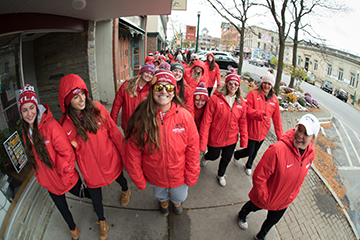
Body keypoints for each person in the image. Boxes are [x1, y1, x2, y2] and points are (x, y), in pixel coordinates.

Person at [58, 74, 129, 240]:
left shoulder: (97, 109)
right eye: (76, 97)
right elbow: (67, 154)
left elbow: (114, 132)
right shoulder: (65, 126)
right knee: (96, 201)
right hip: (91, 172)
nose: (81, 99)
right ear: (68, 101)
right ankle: (102, 221)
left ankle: (126, 190)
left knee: (121, 180)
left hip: (110, 161)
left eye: (82, 93)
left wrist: (124, 155)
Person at [124, 69, 200, 216]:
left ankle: (176, 202)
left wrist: (192, 174)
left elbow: (193, 149)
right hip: (154, 174)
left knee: (179, 196)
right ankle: (163, 201)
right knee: (160, 194)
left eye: (169, 87)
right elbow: (133, 152)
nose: (164, 91)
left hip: (179, 175)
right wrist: (138, 178)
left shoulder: (185, 116)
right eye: (159, 87)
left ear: (174, 92)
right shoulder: (141, 118)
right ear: (152, 90)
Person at [19, 84, 88, 240]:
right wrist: (40, 177)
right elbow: (34, 159)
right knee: (63, 209)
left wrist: (64, 173)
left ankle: (99, 205)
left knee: (84, 194)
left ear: (36, 107)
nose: (29, 113)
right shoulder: (25, 133)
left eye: (31, 108)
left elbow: (67, 153)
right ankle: (73, 230)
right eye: (25, 110)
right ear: (21, 113)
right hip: (48, 181)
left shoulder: (50, 126)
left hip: (65, 176)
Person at [236, 114, 320, 240]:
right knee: (252, 207)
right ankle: (242, 214)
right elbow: (259, 176)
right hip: (266, 197)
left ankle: (261, 236)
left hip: (284, 201)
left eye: (306, 133)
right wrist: (264, 197)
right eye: (299, 129)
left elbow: (301, 177)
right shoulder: (277, 150)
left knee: (271, 221)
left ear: (313, 138)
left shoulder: (310, 154)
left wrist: (292, 195)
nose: (300, 135)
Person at [199, 71, 248, 187]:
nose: (233, 86)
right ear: (226, 84)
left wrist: (244, 140)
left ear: (238, 86)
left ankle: (221, 174)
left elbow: (243, 123)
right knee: (214, 155)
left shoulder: (240, 103)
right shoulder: (215, 99)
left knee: (226, 158)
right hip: (216, 137)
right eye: (231, 82)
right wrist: (202, 143)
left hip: (231, 138)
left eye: (236, 84)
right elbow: (206, 122)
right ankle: (206, 157)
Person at [233, 68, 283, 176]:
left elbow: (277, 120)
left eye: (269, 84)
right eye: (265, 83)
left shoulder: (274, 100)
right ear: (262, 82)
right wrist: (259, 114)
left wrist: (281, 139)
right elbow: (247, 110)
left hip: (263, 132)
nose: (266, 86)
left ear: (272, 85)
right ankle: (237, 154)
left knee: (255, 151)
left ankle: (249, 165)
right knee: (249, 151)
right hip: (252, 130)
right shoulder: (253, 94)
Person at [110, 63, 154, 132]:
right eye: (147, 72)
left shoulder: (151, 90)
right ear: (142, 72)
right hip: (128, 125)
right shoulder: (127, 86)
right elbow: (116, 105)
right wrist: (112, 124)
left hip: (143, 127)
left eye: (151, 74)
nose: (149, 75)